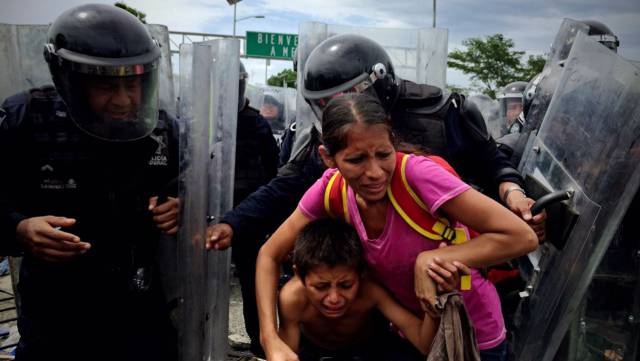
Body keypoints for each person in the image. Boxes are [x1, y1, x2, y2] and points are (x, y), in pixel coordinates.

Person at [255, 93, 538, 361]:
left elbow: (521, 236)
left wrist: (432, 259)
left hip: (472, 336)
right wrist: (270, 338)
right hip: (412, 335)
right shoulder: (331, 191)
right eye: (356, 160)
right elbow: (269, 254)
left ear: (393, 142)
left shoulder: (416, 175)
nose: (375, 172)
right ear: (328, 158)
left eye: (383, 154)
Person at [0, 4, 178, 361]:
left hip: (137, 302)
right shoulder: (24, 122)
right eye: (106, 87)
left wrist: (178, 205)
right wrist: (18, 227)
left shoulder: (161, 130)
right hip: (57, 306)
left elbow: (180, 187)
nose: (124, 101)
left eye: (134, 85)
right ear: (70, 81)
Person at [278, 218, 469, 360]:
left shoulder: (370, 292)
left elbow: (424, 344)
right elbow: (287, 354)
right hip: (314, 351)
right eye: (321, 287)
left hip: (368, 349)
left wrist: (433, 301)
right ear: (299, 275)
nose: (334, 298)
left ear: (361, 274)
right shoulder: (292, 299)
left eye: (346, 285)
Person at [232, 61, 280, 356]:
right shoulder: (202, 120)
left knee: (252, 279)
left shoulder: (255, 122)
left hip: (250, 212)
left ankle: (259, 341)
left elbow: (273, 169)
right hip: (211, 210)